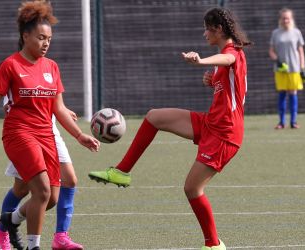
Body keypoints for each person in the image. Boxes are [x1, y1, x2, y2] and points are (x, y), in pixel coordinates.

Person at [88, 7, 250, 250]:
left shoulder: (231, 52)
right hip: (210, 123)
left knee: (192, 188)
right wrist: (211, 80)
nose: (204, 33)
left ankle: (214, 245)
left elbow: (229, 60)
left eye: (207, 28)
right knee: (154, 117)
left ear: (218, 29)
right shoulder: (221, 58)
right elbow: (228, 83)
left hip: (225, 134)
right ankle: (122, 171)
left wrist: (201, 61)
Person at [0, 1, 100, 250]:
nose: (46, 43)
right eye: (40, 37)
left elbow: (58, 108)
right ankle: (33, 246)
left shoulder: (52, 67)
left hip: (46, 134)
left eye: (49, 38)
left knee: (50, 198)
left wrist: (80, 135)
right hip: (19, 134)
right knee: (41, 189)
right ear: (25, 36)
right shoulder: (10, 65)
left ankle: (9, 221)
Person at [0, 100, 83, 250]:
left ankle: (61, 237)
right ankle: (1, 231)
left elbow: (52, 94)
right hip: (24, 132)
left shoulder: (53, 74)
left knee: (69, 180)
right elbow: (10, 100)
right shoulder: (16, 75)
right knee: (21, 188)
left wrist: (62, 109)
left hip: (49, 129)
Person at [269, 8, 305, 129]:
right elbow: (271, 51)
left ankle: (293, 121)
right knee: (282, 93)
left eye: (288, 18)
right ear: (280, 19)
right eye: (283, 18)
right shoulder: (275, 33)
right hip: (280, 70)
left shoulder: (296, 32)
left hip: (294, 69)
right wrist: (277, 61)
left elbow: (301, 52)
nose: (286, 20)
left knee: (293, 93)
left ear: (291, 19)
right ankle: (281, 122)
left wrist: (303, 69)